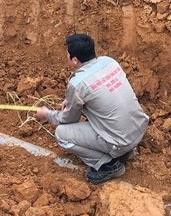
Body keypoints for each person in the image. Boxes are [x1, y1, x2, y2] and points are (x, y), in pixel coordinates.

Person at [36, 34, 149, 184]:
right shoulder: (109, 62)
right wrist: (72, 100)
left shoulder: (77, 83)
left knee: (62, 134)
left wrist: (47, 114)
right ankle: (125, 152)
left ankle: (107, 165)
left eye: (68, 54)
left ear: (75, 60)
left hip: (119, 141)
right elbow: (100, 91)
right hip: (137, 129)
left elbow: (68, 119)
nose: (66, 56)